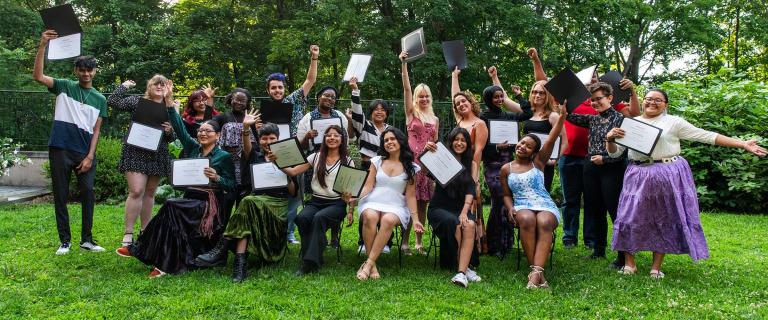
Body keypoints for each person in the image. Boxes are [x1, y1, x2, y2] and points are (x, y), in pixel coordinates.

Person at [605, 89, 767, 279]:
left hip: (666, 173)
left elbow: (705, 135)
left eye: (658, 100)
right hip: (637, 174)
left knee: (664, 218)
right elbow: (614, 153)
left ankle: (656, 267)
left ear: (666, 104)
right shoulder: (631, 124)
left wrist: (742, 144)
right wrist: (610, 140)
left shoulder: (673, 122)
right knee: (629, 216)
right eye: (648, 99)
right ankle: (630, 264)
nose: (652, 103)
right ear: (642, 102)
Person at [528, 47, 640, 249]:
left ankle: (597, 242)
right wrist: (536, 60)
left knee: (598, 204)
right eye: (589, 80)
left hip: (605, 163)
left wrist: (632, 91)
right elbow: (548, 87)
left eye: (596, 78)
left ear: (608, 96)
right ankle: (574, 239)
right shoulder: (578, 104)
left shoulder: (611, 108)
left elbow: (634, 117)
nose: (595, 100)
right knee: (572, 200)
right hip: (574, 158)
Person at [124, 100, 235, 278]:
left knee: (171, 206)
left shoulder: (224, 157)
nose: (203, 133)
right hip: (189, 198)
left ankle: (144, 250)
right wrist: (170, 106)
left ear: (218, 135)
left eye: (208, 131)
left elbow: (232, 185)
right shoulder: (193, 148)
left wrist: (217, 177)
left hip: (207, 204)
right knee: (171, 215)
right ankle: (158, 261)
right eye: (200, 131)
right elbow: (180, 129)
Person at [33, 29, 107, 255]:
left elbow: (96, 130)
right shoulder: (64, 86)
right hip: (60, 148)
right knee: (61, 195)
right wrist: (42, 46)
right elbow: (38, 76)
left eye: (89, 70)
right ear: (76, 70)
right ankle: (64, 241)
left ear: (94, 72)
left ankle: (87, 240)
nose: (86, 74)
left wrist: (90, 156)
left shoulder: (101, 99)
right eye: (82, 70)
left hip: (84, 153)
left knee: (88, 193)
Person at [202, 120, 297, 282]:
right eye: (264, 138)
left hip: (277, 201)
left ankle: (223, 248)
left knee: (247, 202)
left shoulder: (287, 156)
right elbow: (246, 146)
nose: (268, 142)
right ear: (259, 140)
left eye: (272, 138)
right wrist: (246, 128)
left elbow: (293, 192)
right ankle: (240, 267)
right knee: (249, 203)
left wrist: (282, 169)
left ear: (279, 139)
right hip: (256, 198)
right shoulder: (255, 155)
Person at [501, 103, 566, 289]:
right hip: (521, 204)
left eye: (529, 147)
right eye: (522, 143)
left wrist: (561, 117)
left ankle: (535, 274)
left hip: (544, 202)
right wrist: (510, 207)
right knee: (527, 219)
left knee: (545, 222)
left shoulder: (538, 163)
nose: (523, 147)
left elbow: (552, 139)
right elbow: (506, 194)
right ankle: (538, 274)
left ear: (534, 152)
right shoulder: (507, 169)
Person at [109, 76, 176, 256]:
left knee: (149, 193)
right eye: (156, 83)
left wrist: (170, 131)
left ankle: (145, 233)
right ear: (149, 86)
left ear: (168, 88)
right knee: (137, 191)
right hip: (135, 150)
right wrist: (124, 86)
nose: (160, 86)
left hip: (158, 153)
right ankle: (128, 234)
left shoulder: (171, 108)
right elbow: (113, 101)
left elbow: (175, 136)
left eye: (163, 84)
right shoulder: (138, 101)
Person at [274, 126, 353, 276]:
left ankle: (309, 262)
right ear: (324, 139)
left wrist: (350, 209)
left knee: (319, 218)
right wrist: (277, 161)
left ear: (342, 140)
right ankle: (316, 251)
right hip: (316, 201)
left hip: (336, 203)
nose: (332, 138)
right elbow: (293, 171)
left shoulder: (347, 161)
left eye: (336, 135)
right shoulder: (315, 157)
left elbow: (350, 190)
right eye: (328, 135)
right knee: (302, 218)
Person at [565, 82, 628, 268]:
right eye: (592, 100)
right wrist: (563, 100)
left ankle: (623, 256)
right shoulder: (592, 119)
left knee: (615, 211)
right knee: (594, 208)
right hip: (591, 167)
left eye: (598, 99)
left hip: (612, 168)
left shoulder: (621, 120)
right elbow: (569, 116)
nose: (595, 103)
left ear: (610, 98)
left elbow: (627, 150)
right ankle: (598, 249)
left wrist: (606, 159)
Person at [264, 44, 319, 245]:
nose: (277, 90)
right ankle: (272, 229)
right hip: (270, 154)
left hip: (293, 151)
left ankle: (288, 231)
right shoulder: (263, 110)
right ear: (268, 90)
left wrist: (314, 58)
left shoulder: (293, 100)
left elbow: (310, 80)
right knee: (272, 190)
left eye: (280, 87)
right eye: (273, 88)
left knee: (295, 192)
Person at [350, 127, 420, 280]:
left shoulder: (411, 167)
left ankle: (368, 264)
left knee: (387, 220)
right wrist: (355, 198)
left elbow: (411, 196)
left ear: (400, 141)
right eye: (386, 140)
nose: (389, 142)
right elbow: (368, 186)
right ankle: (372, 265)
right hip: (373, 199)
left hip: (396, 204)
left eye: (392, 139)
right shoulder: (376, 161)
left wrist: (415, 220)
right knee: (369, 217)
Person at [480, 66, 534, 258]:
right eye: (496, 97)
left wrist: (519, 96)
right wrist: (496, 148)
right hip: (493, 165)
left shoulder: (507, 116)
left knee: (507, 202)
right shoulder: (482, 118)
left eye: (501, 97)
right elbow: (480, 145)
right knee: (499, 201)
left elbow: (527, 113)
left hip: (510, 165)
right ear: (488, 99)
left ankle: (506, 243)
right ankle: (493, 244)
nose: (500, 100)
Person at [343, 77, 395, 254]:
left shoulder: (390, 131)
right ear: (371, 112)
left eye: (383, 110)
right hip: (366, 169)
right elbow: (357, 113)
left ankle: (386, 243)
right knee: (367, 205)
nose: (379, 112)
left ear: (387, 113)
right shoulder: (364, 126)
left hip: (386, 171)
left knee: (386, 204)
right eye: (375, 109)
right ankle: (363, 242)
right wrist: (355, 90)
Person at [424, 128, 481, 288]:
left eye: (463, 140)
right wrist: (426, 152)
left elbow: (471, 190)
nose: (459, 143)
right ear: (450, 142)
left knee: (468, 224)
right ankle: (462, 266)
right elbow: (424, 171)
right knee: (455, 224)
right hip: (439, 208)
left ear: (468, 144)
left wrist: (464, 212)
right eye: (456, 139)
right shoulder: (441, 157)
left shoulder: (472, 164)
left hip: (461, 207)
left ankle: (462, 273)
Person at [399, 50, 439, 255]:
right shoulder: (411, 113)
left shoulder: (435, 119)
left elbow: (435, 142)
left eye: (427, 96)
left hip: (427, 165)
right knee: (409, 203)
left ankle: (418, 242)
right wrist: (404, 64)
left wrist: (434, 147)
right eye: (420, 96)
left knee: (423, 204)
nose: (424, 98)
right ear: (415, 98)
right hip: (412, 162)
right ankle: (404, 243)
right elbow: (406, 88)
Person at [450, 67, 490, 253]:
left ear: (470, 102)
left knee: (471, 204)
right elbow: (454, 96)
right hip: (454, 170)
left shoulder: (479, 123)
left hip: (470, 170)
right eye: (457, 104)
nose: (460, 105)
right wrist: (454, 76)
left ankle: (474, 246)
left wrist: (472, 177)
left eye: (463, 101)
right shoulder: (459, 121)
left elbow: (478, 151)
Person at [522, 79, 567, 191]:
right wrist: (494, 77)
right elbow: (506, 100)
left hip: (543, 164)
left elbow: (565, 142)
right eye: (534, 92)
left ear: (547, 96)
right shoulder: (528, 113)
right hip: (525, 161)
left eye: (541, 93)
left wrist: (554, 160)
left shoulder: (553, 116)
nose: (537, 95)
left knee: (539, 197)